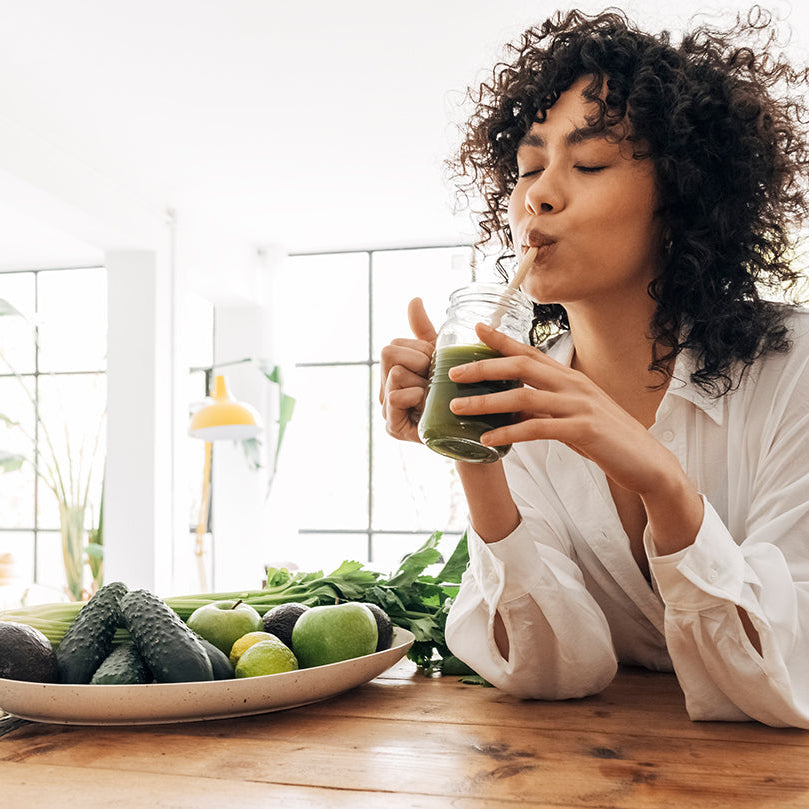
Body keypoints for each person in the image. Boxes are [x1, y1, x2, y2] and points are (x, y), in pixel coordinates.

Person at [379, 6, 809, 727]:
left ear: (680, 195)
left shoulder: (790, 368)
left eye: (588, 163)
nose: (537, 194)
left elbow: (784, 676)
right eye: (527, 165)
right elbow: (549, 671)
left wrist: (663, 484)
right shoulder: (522, 388)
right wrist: (474, 450)